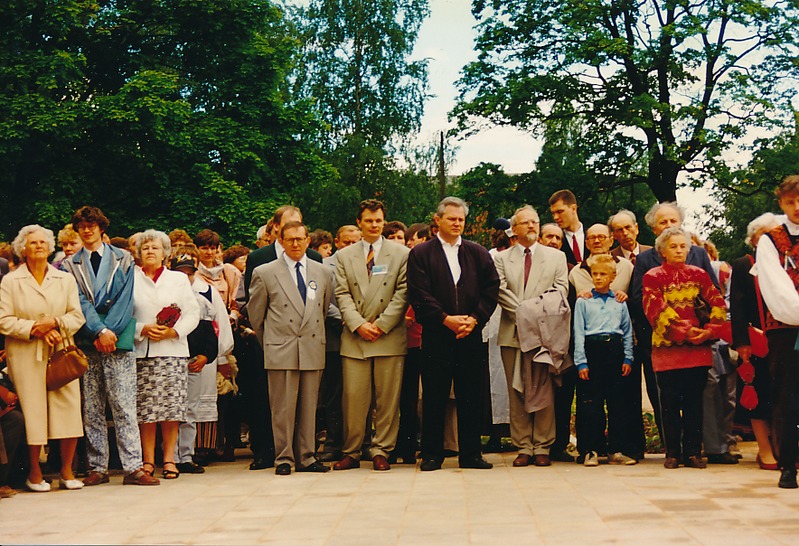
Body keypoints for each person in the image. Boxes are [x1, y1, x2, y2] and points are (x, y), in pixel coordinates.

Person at [61, 206, 159, 487]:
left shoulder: (124, 258)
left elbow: (126, 301)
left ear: (101, 227)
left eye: (91, 225)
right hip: (89, 339)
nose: (87, 230)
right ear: (77, 229)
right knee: (92, 406)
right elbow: (78, 302)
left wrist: (110, 331)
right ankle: (97, 467)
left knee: (124, 403)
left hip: (117, 339)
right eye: (81, 226)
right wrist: (98, 331)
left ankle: (133, 467)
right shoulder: (70, 264)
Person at [408, 196, 499, 471]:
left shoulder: (477, 252)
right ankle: (432, 454)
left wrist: (474, 319)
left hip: (469, 335)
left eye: (461, 219)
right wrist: (445, 319)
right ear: (438, 220)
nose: (457, 223)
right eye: (452, 218)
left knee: (471, 395)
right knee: (434, 395)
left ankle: (471, 454)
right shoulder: (421, 253)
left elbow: (491, 289)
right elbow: (418, 292)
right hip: (437, 335)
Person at [0, 225, 86, 492]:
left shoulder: (65, 279)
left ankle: (67, 470)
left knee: (68, 409)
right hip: (25, 353)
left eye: (43, 242)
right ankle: (35, 474)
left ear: (50, 248)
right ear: (23, 249)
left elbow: (77, 316)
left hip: (61, 351)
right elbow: (4, 320)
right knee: (34, 411)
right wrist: (35, 329)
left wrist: (55, 324)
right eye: (33, 243)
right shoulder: (10, 281)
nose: (39, 246)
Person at [629, 201, 718, 453]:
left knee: (695, 398)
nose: (669, 226)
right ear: (654, 229)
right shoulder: (646, 260)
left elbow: (713, 292)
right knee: (665, 399)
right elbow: (639, 298)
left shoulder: (698, 253)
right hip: (662, 338)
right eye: (662, 222)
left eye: (673, 221)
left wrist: (705, 328)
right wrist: (671, 323)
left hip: (696, 340)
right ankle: (672, 450)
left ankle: (693, 449)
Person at [248, 221, 333, 475]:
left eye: (300, 239)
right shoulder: (265, 272)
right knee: (283, 408)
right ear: (281, 241)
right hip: (281, 347)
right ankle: (284, 457)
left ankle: (307, 456)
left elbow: (324, 307)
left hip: (311, 345)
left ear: (308, 241)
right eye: (290, 239)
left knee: (309, 406)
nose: (295, 244)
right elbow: (256, 316)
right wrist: (274, 339)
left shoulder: (323, 272)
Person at [333, 200, 410, 472]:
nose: (374, 225)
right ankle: (352, 451)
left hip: (388, 336)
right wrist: (359, 324)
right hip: (355, 337)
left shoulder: (401, 254)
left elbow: (403, 292)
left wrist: (381, 324)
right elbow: (341, 294)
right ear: (359, 222)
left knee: (388, 400)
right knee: (353, 398)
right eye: (368, 221)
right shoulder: (344, 256)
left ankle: (382, 450)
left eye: (378, 220)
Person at [642, 227, 726, 470]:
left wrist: (710, 330)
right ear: (662, 251)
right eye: (674, 246)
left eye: (683, 246)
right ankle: (672, 453)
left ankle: (692, 452)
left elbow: (717, 303)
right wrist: (685, 331)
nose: (679, 250)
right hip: (666, 352)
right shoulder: (652, 276)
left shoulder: (700, 274)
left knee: (694, 404)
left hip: (697, 352)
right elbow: (654, 310)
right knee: (668, 404)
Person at [494, 205, 569, 467]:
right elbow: (501, 291)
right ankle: (523, 445)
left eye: (535, 222)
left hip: (545, 334)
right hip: (512, 333)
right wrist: (526, 315)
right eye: (525, 223)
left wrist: (534, 318)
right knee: (517, 391)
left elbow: (560, 291)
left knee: (543, 388)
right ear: (514, 229)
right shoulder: (501, 259)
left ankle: (542, 446)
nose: (532, 226)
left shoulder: (555, 257)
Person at [132, 230, 200, 479]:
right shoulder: (131, 279)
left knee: (171, 408)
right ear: (139, 253)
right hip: (142, 351)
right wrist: (142, 329)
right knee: (146, 410)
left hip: (172, 351)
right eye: (146, 247)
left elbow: (192, 313)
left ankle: (170, 459)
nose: (150, 251)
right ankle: (148, 461)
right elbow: (124, 316)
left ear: (165, 253)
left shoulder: (178, 280)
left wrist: (174, 332)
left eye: (156, 247)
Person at [170, 245, 233, 475]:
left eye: (189, 272)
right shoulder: (165, 294)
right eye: (180, 273)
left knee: (190, 410)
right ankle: (169, 456)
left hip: (194, 362)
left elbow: (211, 333)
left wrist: (207, 356)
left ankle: (185, 456)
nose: (185, 277)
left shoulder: (204, 297)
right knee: (169, 410)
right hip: (170, 359)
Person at [755, 175, 799, 488]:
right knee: (788, 398)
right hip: (786, 329)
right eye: (790, 202)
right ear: (781, 203)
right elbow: (776, 288)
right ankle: (788, 466)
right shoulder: (771, 239)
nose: (797, 207)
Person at [573, 255, 635, 466]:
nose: (598, 278)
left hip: (614, 351)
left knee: (617, 402)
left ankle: (616, 449)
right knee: (591, 402)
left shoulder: (619, 302)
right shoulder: (583, 301)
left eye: (602, 274)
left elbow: (627, 331)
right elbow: (578, 332)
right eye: (595, 274)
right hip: (593, 350)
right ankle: (590, 449)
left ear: (613, 276)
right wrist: (581, 361)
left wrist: (628, 356)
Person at [729, 213, 779, 471]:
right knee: (759, 394)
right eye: (766, 235)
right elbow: (736, 307)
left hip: (784, 338)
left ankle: (784, 446)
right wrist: (742, 343)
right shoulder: (743, 264)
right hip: (757, 341)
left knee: (784, 395)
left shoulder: (786, 263)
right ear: (754, 239)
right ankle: (764, 449)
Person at [548, 189, 587, 463]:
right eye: (552, 215)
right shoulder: (553, 245)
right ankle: (559, 443)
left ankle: (590, 445)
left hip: (592, 324)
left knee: (591, 388)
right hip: (563, 323)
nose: (556, 218)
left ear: (574, 208)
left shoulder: (597, 235)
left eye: (560, 211)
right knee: (562, 388)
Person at [318, 224, 362, 463]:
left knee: (361, 393)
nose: (351, 247)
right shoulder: (325, 267)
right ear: (336, 242)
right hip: (336, 335)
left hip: (364, 335)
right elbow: (323, 301)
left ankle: (363, 442)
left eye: (356, 242)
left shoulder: (370, 262)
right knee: (334, 393)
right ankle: (334, 443)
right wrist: (347, 319)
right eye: (346, 242)